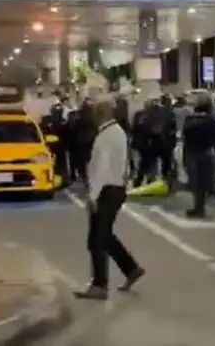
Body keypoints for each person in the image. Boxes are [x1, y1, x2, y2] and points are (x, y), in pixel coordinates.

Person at [75, 98, 144, 300]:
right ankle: (131, 269)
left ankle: (99, 285)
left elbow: (102, 168)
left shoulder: (106, 136)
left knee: (96, 239)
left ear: (100, 114)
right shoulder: (117, 133)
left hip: (107, 190)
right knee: (105, 236)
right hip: (115, 188)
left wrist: (93, 195)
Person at [183, 95, 215, 217]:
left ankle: (199, 208)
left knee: (196, 182)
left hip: (193, 152)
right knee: (206, 180)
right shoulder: (213, 121)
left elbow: (185, 136)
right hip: (208, 152)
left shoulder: (190, 119)